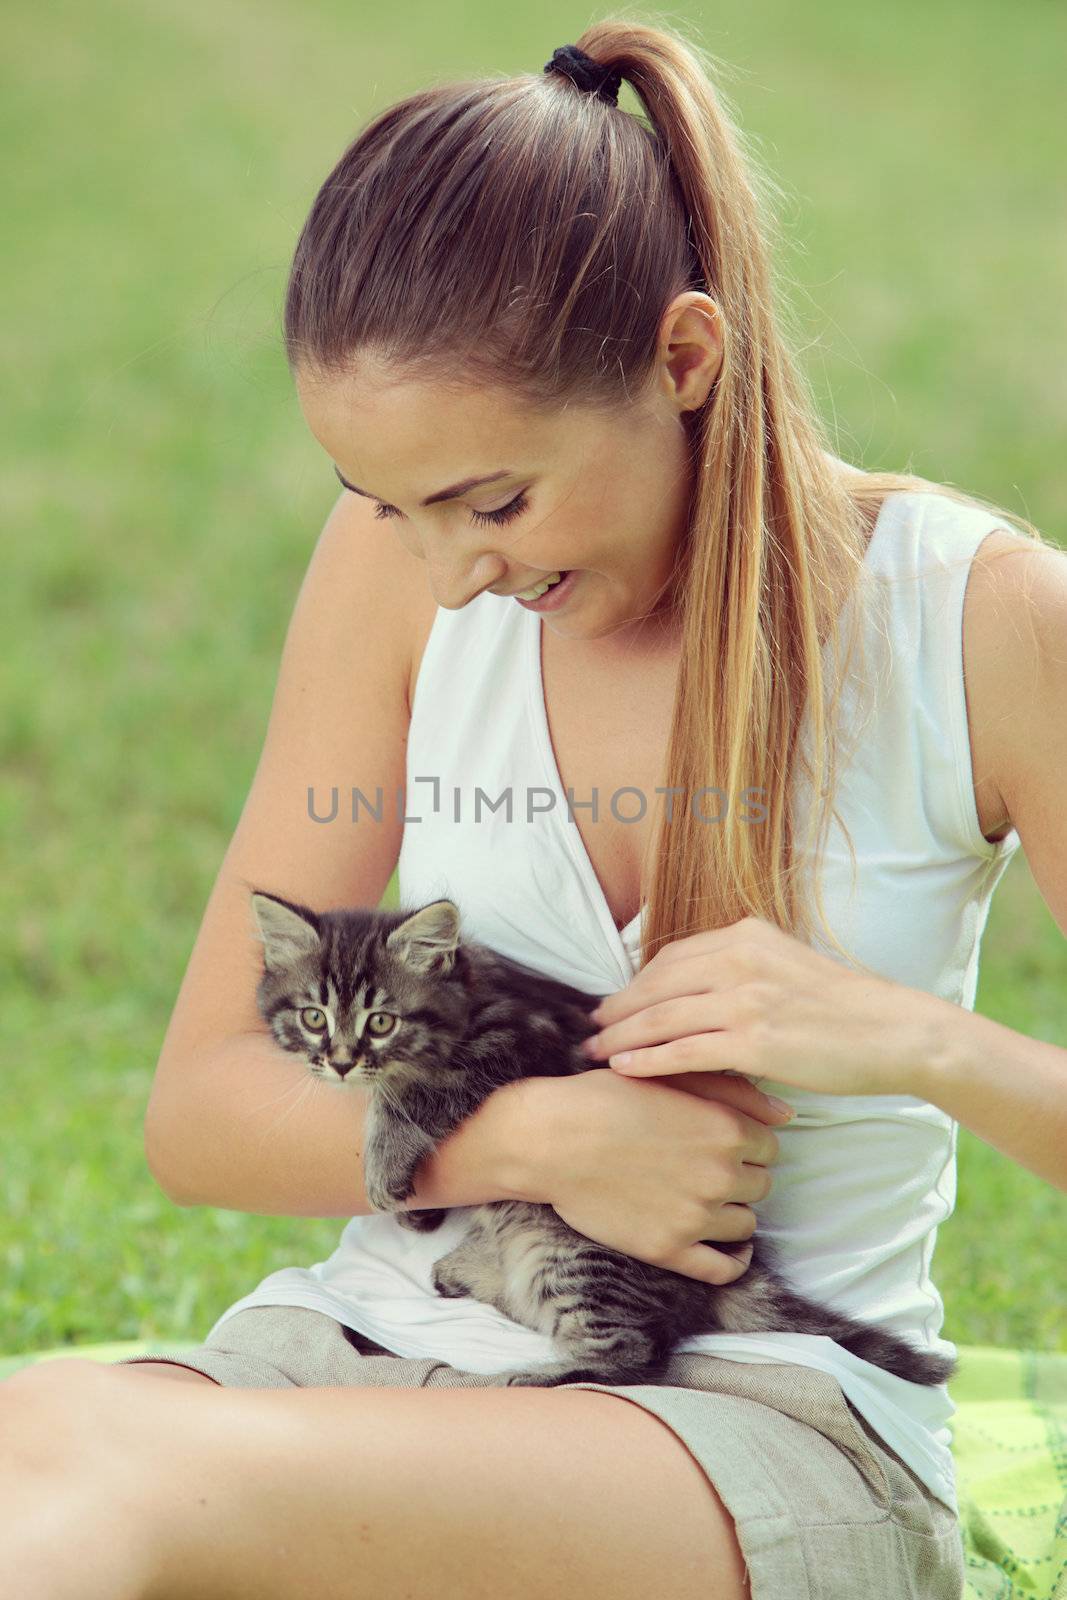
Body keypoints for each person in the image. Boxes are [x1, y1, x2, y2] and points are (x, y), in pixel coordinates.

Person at [4, 19, 1065, 1600]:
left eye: (495, 501)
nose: (452, 573)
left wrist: (917, 1041)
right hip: (385, 1337)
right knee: (37, 1439)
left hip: (754, 1418)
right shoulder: (401, 582)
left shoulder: (984, 620)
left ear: (685, 360)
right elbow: (203, 1109)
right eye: (390, 507)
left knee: (137, 1477)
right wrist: (543, 1136)